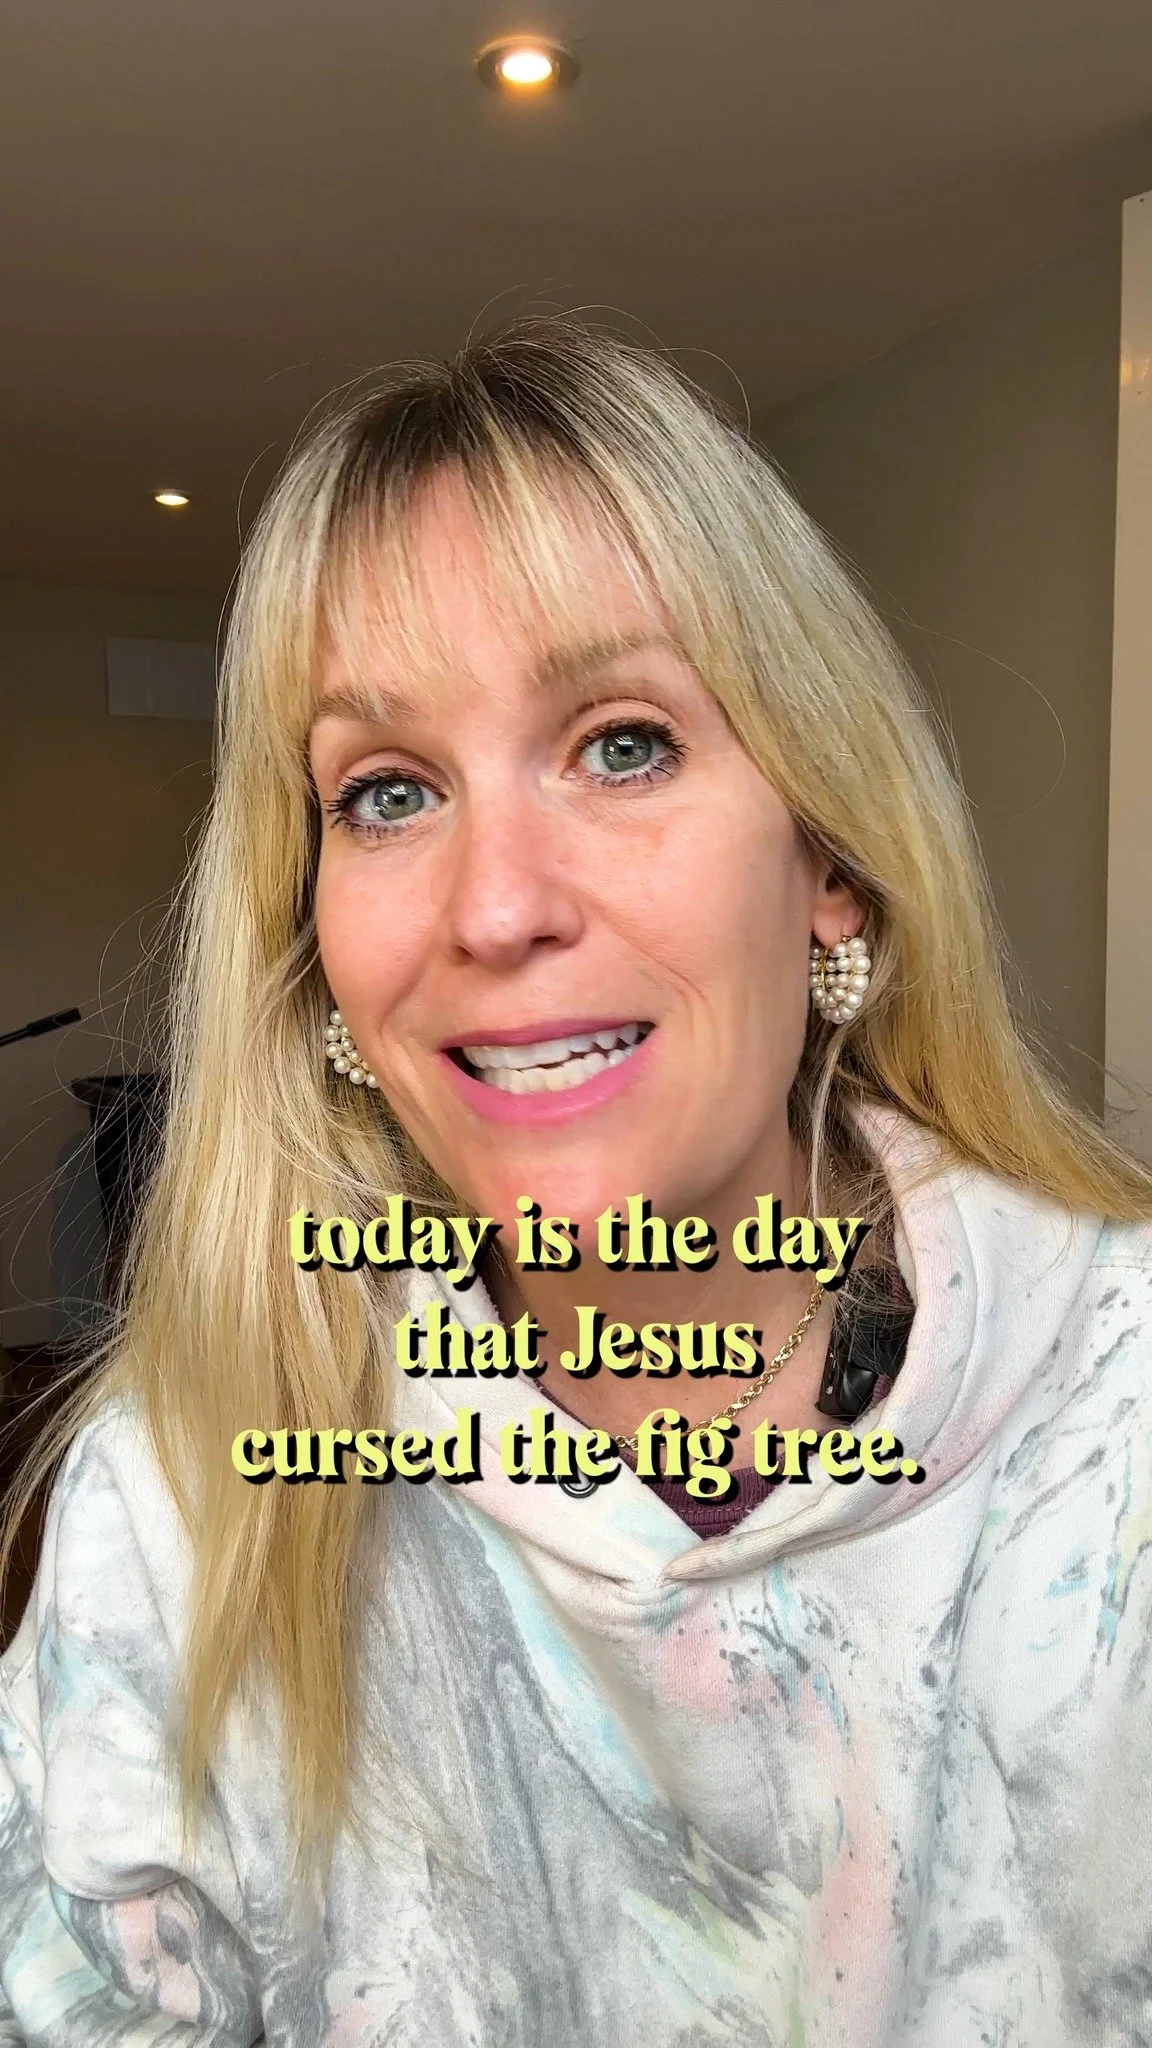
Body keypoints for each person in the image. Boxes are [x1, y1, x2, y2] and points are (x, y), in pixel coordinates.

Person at [2, 320, 1151, 2048]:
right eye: (388, 792)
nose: (493, 907)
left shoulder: (1117, 1420)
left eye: (622, 745)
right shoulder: (178, 1506)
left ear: (830, 863)